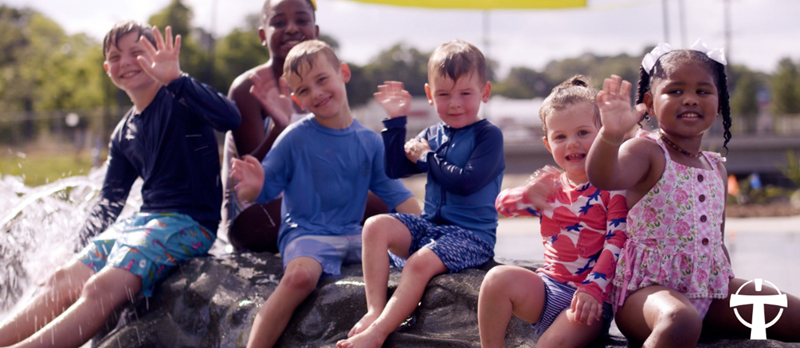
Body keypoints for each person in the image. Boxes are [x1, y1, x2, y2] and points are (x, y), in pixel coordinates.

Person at [0, 21, 241, 348]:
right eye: (115, 56)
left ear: (154, 55)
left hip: (190, 222)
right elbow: (108, 202)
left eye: (136, 52)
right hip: (145, 221)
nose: (125, 62)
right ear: (106, 68)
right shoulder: (123, 131)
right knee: (61, 279)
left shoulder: (180, 98)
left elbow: (231, 118)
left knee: (99, 287)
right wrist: (72, 251)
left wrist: (177, 79)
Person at [586, 40, 800, 346]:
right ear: (650, 102)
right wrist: (610, 134)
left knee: (789, 312)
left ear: (719, 103)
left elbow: (716, 242)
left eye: (703, 91)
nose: (690, 99)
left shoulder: (716, 167)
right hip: (646, 296)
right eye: (675, 91)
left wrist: (732, 289)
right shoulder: (647, 151)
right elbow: (604, 177)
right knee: (680, 320)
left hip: (708, 292)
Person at [230, 40, 420, 348]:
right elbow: (264, 189)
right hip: (306, 232)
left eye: (322, 79)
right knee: (300, 277)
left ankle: (377, 325)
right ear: (297, 99)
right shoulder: (294, 138)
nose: (316, 93)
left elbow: (396, 194)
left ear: (343, 73)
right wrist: (252, 187)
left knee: (413, 260)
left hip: (353, 234)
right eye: (304, 90)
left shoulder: (369, 141)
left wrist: (429, 231)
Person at [337, 39, 505, 348]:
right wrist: (395, 122)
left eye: (465, 94)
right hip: (430, 228)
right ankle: (374, 310)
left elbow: (467, 182)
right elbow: (395, 168)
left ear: (485, 92)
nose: (454, 104)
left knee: (417, 263)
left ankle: (378, 333)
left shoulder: (489, 136)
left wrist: (427, 158)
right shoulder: (433, 134)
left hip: (471, 237)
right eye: (444, 94)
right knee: (375, 225)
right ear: (429, 95)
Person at [222, 0, 389, 253]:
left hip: (314, 198)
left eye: (301, 20)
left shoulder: (322, 92)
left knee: (384, 200)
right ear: (262, 35)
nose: (291, 28)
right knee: (368, 206)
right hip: (256, 213)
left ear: (316, 31)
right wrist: (279, 128)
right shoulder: (248, 89)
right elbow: (252, 174)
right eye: (279, 22)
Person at [479, 76, 628, 348]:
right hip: (548, 289)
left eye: (582, 133)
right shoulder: (550, 186)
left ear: (603, 134)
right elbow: (501, 206)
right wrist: (526, 195)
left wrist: (593, 288)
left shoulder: (612, 186)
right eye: (560, 137)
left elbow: (617, 240)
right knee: (496, 280)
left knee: (550, 344)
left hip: (590, 301)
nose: (572, 143)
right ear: (548, 144)